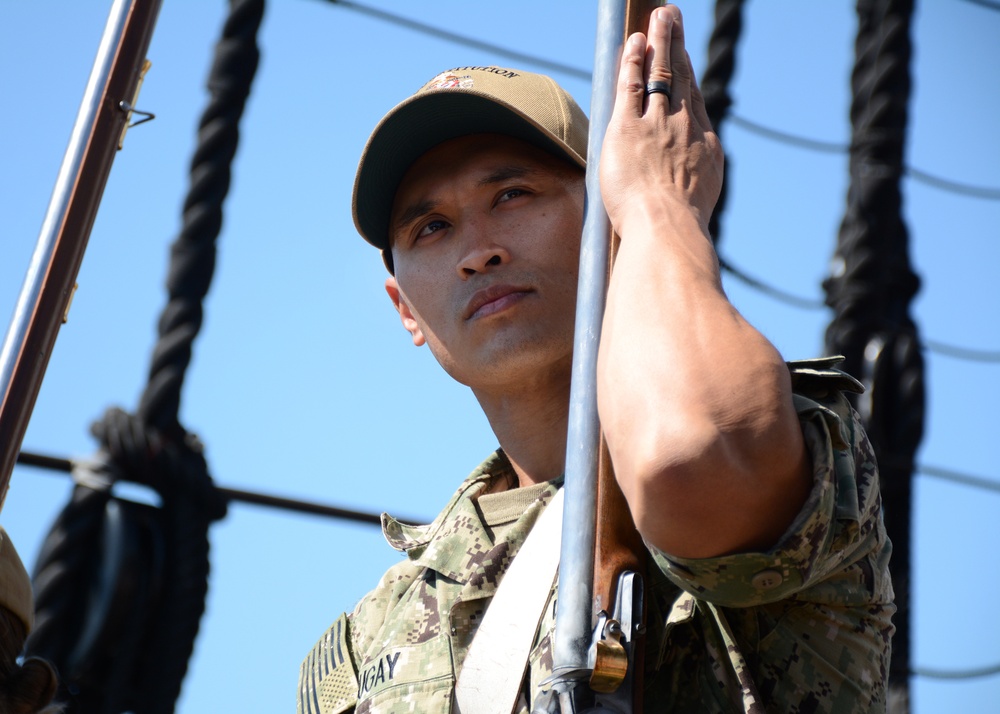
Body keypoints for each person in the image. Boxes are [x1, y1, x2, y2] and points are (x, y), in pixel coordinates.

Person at [298, 5, 893, 713]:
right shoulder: (370, 638)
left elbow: (690, 457)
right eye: (432, 227)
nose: (477, 251)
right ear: (406, 311)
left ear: (607, 222)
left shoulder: (785, 440)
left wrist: (660, 208)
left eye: (512, 194)